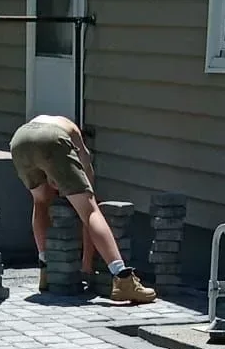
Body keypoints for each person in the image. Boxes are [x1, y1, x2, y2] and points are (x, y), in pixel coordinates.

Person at [9, 113, 156, 305]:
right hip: (50, 138)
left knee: (40, 202)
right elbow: (88, 210)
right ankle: (123, 278)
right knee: (91, 210)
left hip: (20, 139)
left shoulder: (53, 121)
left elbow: (50, 169)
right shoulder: (76, 142)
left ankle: (47, 270)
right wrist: (86, 266)